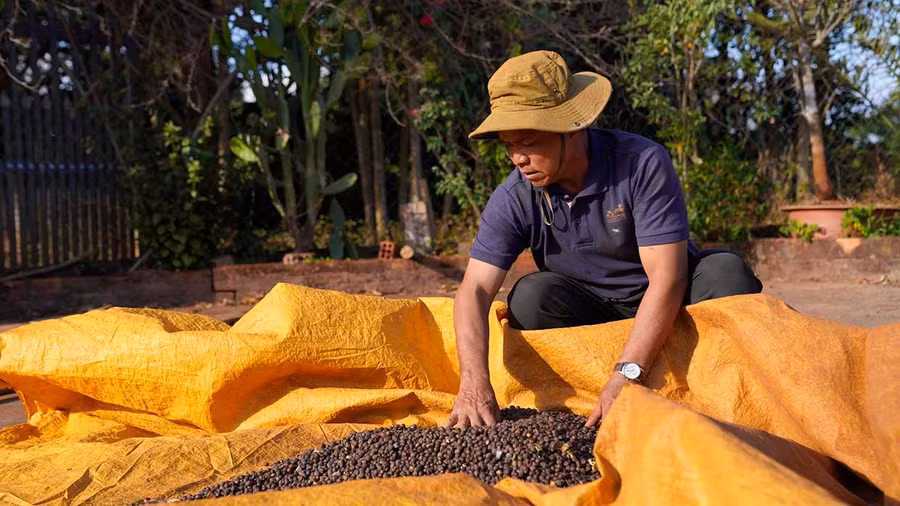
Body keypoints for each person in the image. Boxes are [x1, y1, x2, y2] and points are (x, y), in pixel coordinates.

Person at [444, 50, 762, 429]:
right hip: (592, 315)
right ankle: (589, 391)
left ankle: (711, 388)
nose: (518, 158)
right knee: (530, 297)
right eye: (508, 145)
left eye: (528, 141)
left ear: (571, 128)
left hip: (671, 303)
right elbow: (474, 290)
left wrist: (628, 373)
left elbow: (667, 279)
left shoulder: (641, 163)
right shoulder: (516, 195)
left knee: (727, 274)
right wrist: (474, 383)